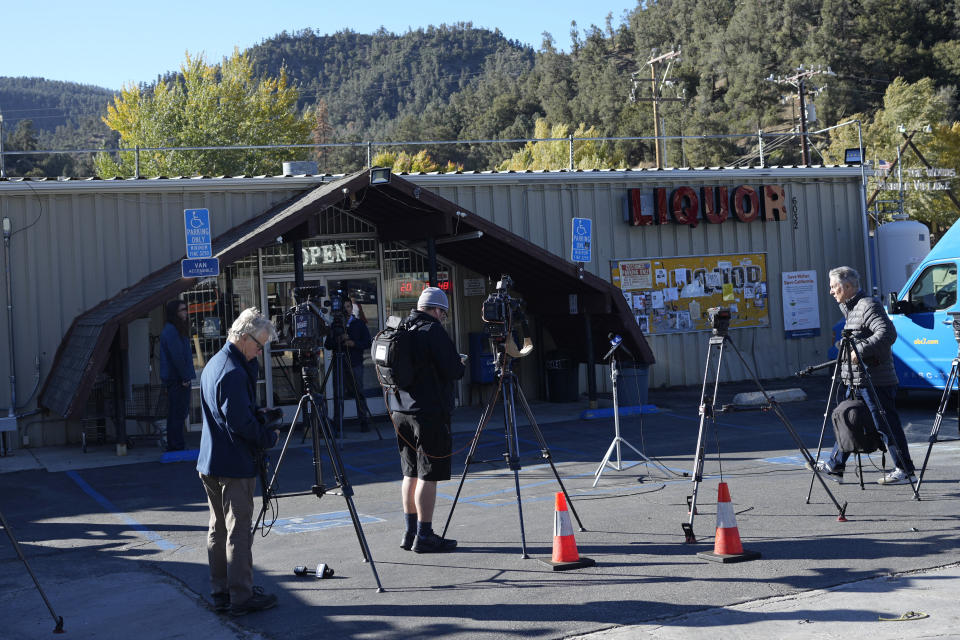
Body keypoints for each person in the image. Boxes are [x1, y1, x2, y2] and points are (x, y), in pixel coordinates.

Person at [196, 308, 280, 616]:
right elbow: (239, 423)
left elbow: (231, 415)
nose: (260, 351)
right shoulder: (231, 371)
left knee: (219, 528)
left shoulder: (217, 363)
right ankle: (241, 596)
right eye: (258, 345)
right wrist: (267, 436)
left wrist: (254, 417)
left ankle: (222, 591)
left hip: (211, 461)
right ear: (243, 338)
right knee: (238, 531)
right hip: (232, 464)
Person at [811, 266, 916, 485]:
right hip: (856, 380)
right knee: (850, 421)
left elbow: (887, 333)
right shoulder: (851, 308)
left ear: (846, 286)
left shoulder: (868, 305)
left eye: (833, 287)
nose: (830, 292)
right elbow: (858, 336)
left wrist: (860, 350)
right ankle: (835, 466)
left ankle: (905, 470)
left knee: (885, 424)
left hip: (875, 380)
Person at [387, 287, 465, 553]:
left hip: (400, 410)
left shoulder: (402, 326)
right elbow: (455, 370)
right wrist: (459, 362)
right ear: (434, 309)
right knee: (428, 475)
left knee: (409, 472)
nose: (442, 317)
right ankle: (425, 534)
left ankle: (409, 533)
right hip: (428, 412)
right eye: (442, 312)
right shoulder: (432, 330)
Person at [324, 296, 373, 431]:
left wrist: (354, 343)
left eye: (348, 307)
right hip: (339, 364)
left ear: (352, 308)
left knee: (359, 393)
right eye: (343, 307)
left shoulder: (359, 324)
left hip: (355, 363)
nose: (346, 310)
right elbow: (328, 345)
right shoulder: (335, 325)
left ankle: (364, 422)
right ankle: (338, 424)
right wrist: (339, 339)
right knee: (338, 394)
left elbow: (367, 342)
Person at [158, 299, 195, 452]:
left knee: (177, 413)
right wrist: (185, 377)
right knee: (178, 413)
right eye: (182, 310)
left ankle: (175, 444)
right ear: (174, 313)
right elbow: (177, 356)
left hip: (176, 378)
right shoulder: (172, 331)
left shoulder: (173, 329)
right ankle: (176, 445)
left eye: (186, 309)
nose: (185, 312)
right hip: (177, 379)